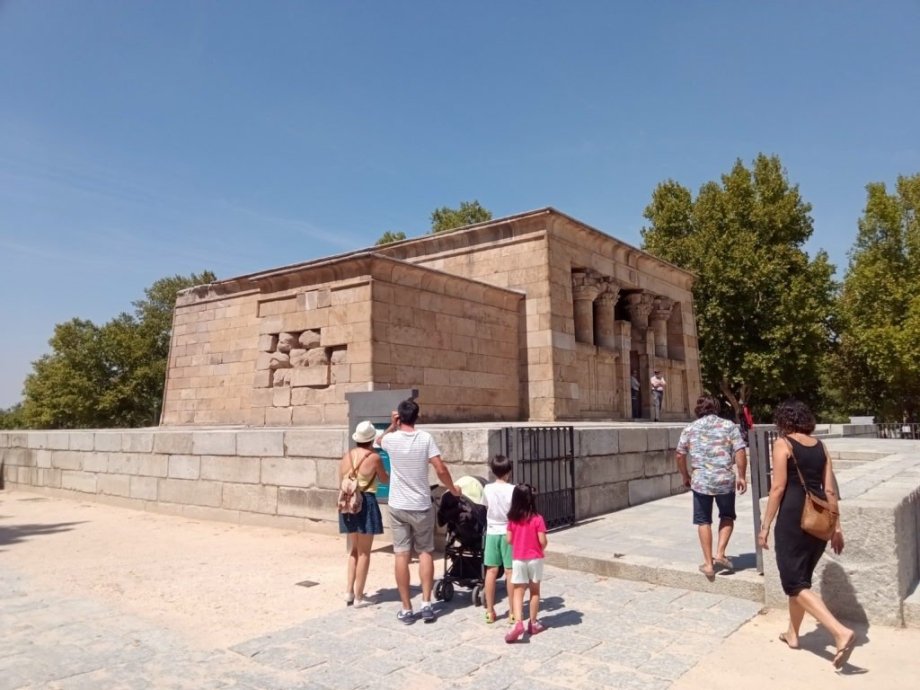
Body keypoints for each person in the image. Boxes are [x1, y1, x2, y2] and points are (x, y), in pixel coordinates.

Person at [758, 400, 855, 669]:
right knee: (800, 581)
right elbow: (831, 490)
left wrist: (764, 526)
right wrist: (836, 527)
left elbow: (777, 489)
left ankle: (839, 632)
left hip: (793, 518)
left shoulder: (782, 444)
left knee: (794, 583)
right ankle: (792, 634)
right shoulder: (821, 447)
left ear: (783, 421)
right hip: (819, 519)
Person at [380, 399, 460, 625]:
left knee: (401, 554)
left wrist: (391, 425)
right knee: (425, 552)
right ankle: (426, 604)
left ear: (400, 418)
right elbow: (440, 468)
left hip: (398, 504)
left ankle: (406, 608)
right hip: (421, 504)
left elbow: (378, 440)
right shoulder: (425, 438)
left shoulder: (391, 440)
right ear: (417, 416)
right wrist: (453, 489)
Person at [676, 395, 748, 579]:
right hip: (724, 479)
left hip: (701, 480)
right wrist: (742, 476)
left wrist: (685, 475)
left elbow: (679, 454)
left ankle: (708, 564)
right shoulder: (729, 426)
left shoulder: (690, 428)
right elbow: (740, 451)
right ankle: (721, 553)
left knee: (703, 520)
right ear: (716, 408)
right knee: (727, 515)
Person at [339, 420, 389, 608]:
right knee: (365, 553)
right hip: (366, 502)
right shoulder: (374, 457)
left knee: (353, 550)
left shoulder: (347, 456)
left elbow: (342, 481)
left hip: (349, 503)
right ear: (370, 439)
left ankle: (349, 592)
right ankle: (360, 596)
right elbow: (384, 478)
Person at [504, 483, 548, 643]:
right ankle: (533, 622)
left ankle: (517, 622)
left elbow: (509, 540)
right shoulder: (538, 519)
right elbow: (543, 541)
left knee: (518, 591)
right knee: (534, 591)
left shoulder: (512, 520)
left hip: (519, 558)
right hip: (535, 557)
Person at [482, 454, 515, 624]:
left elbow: (485, 506)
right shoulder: (513, 489)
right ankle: (512, 611)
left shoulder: (487, 489)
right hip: (508, 531)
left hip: (492, 532)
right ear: (508, 471)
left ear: (493, 471)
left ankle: (489, 610)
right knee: (510, 572)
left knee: (491, 571)